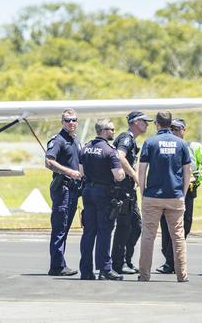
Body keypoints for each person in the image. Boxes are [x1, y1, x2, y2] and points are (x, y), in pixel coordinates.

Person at [156, 118, 202, 274]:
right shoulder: (165, 145)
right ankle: (170, 261)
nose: (174, 131)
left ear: (184, 130)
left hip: (187, 192)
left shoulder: (193, 147)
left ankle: (172, 261)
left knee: (185, 225)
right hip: (167, 191)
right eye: (172, 128)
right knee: (165, 226)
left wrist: (197, 176)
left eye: (177, 128)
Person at [138, 111, 191, 283]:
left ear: (157, 124)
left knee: (148, 236)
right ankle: (182, 275)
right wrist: (182, 193)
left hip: (153, 195)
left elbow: (142, 169)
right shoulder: (181, 144)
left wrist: (143, 191)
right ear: (170, 124)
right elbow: (187, 171)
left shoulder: (150, 142)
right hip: (175, 195)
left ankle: (144, 274)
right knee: (178, 236)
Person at [79, 118, 125, 281]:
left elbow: (81, 171)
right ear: (104, 131)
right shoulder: (109, 150)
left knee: (89, 231)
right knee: (105, 231)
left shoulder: (85, 148)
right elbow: (118, 176)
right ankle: (105, 268)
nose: (114, 132)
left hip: (88, 191)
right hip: (104, 193)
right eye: (112, 129)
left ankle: (85, 270)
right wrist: (124, 173)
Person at [110, 111, 152, 275]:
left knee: (135, 226)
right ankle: (117, 264)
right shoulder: (126, 138)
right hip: (122, 191)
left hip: (128, 192)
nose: (147, 125)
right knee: (124, 227)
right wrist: (135, 176)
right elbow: (120, 156)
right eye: (144, 122)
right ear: (135, 122)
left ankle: (125, 260)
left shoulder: (131, 139)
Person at [45, 109, 82, 276]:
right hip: (63, 188)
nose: (71, 123)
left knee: (65, 227)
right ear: (62, 122)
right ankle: (57, 266)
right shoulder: (58, 140)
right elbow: (49, 162)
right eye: (68, 120)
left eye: (74, 120)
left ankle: (60, 263)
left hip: (74, 189)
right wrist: (68, 172)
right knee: (60, 227)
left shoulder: (75, 140)